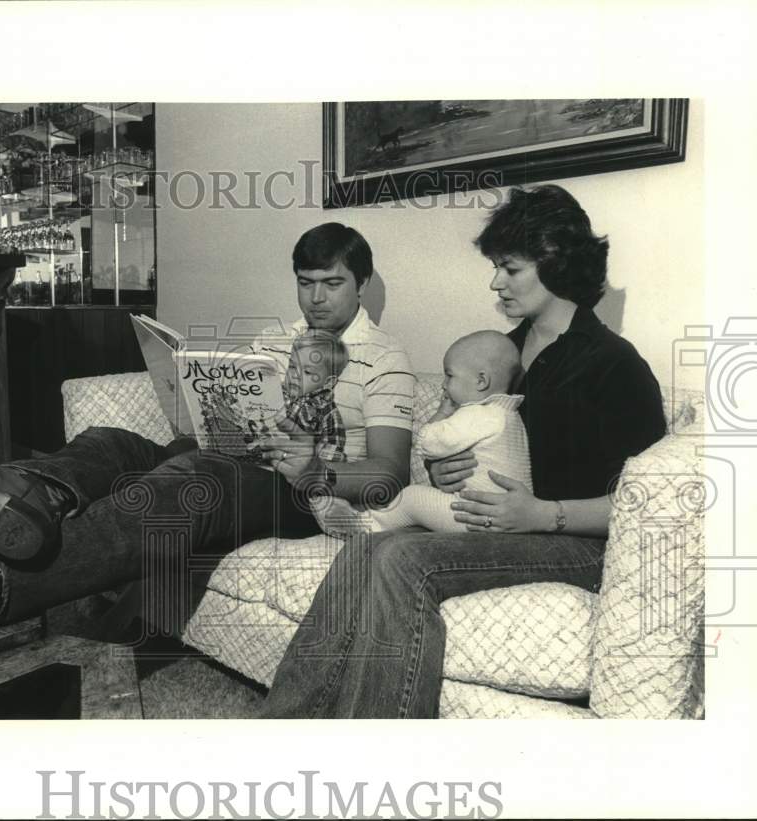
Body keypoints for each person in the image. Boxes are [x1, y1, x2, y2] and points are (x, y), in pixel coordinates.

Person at [0, 222, 415, 640]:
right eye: (305, 284)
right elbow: (233, 408)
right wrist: (195, 398)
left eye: (332, 284)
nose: (316, 299)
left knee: (195, 479)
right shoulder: (275, 340)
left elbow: (387, 477)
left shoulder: (385, 360)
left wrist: (315, 468)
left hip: (300, 496)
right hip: (237, 459)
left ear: (361, 284)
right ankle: (21, 499)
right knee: (112, 441)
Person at [261, 184, 668, 719]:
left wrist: (545, 513)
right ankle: (280, 729)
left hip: (573, 542)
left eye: (511, 269)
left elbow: (650, 503)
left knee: (401, 556)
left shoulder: (613, 362)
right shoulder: (502, 352)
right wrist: (439, 465)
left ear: (558, 264)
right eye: (497, 266)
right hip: (487, 522)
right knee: (363, 550)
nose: (495, 282)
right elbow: (458, 434)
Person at [314, 329, 530, 536]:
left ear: (481, 381)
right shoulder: (509, 416)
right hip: (500, 517)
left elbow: (429, 442)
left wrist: (442, 412)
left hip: (477, 517)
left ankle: (365, 525)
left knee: (411, 498)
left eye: (449, 376)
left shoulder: (478, 415)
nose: (443, 386)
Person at [271, 329, 350, 464]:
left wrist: (313, 463)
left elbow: (334, 449)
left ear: (328, 382)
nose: (295, 375)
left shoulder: (325, 410)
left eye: (307, 371)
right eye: (292, 366)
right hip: (266, 451)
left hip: (296, 466)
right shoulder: (277, 391)